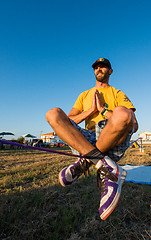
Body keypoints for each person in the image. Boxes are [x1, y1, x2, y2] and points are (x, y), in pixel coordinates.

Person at [46, 58, 138, 220]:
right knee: (53, 114)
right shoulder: (84, 95)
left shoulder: (117, 93)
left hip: (110, 137)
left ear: (110, 71)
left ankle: (85, 162)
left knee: (123, 113)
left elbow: (134, 124)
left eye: (103, 66)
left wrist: (103, 110)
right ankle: (107, 167)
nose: (99, 68)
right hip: (85, 139)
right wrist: (91, 110)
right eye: (96, 67)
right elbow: (69, 120)